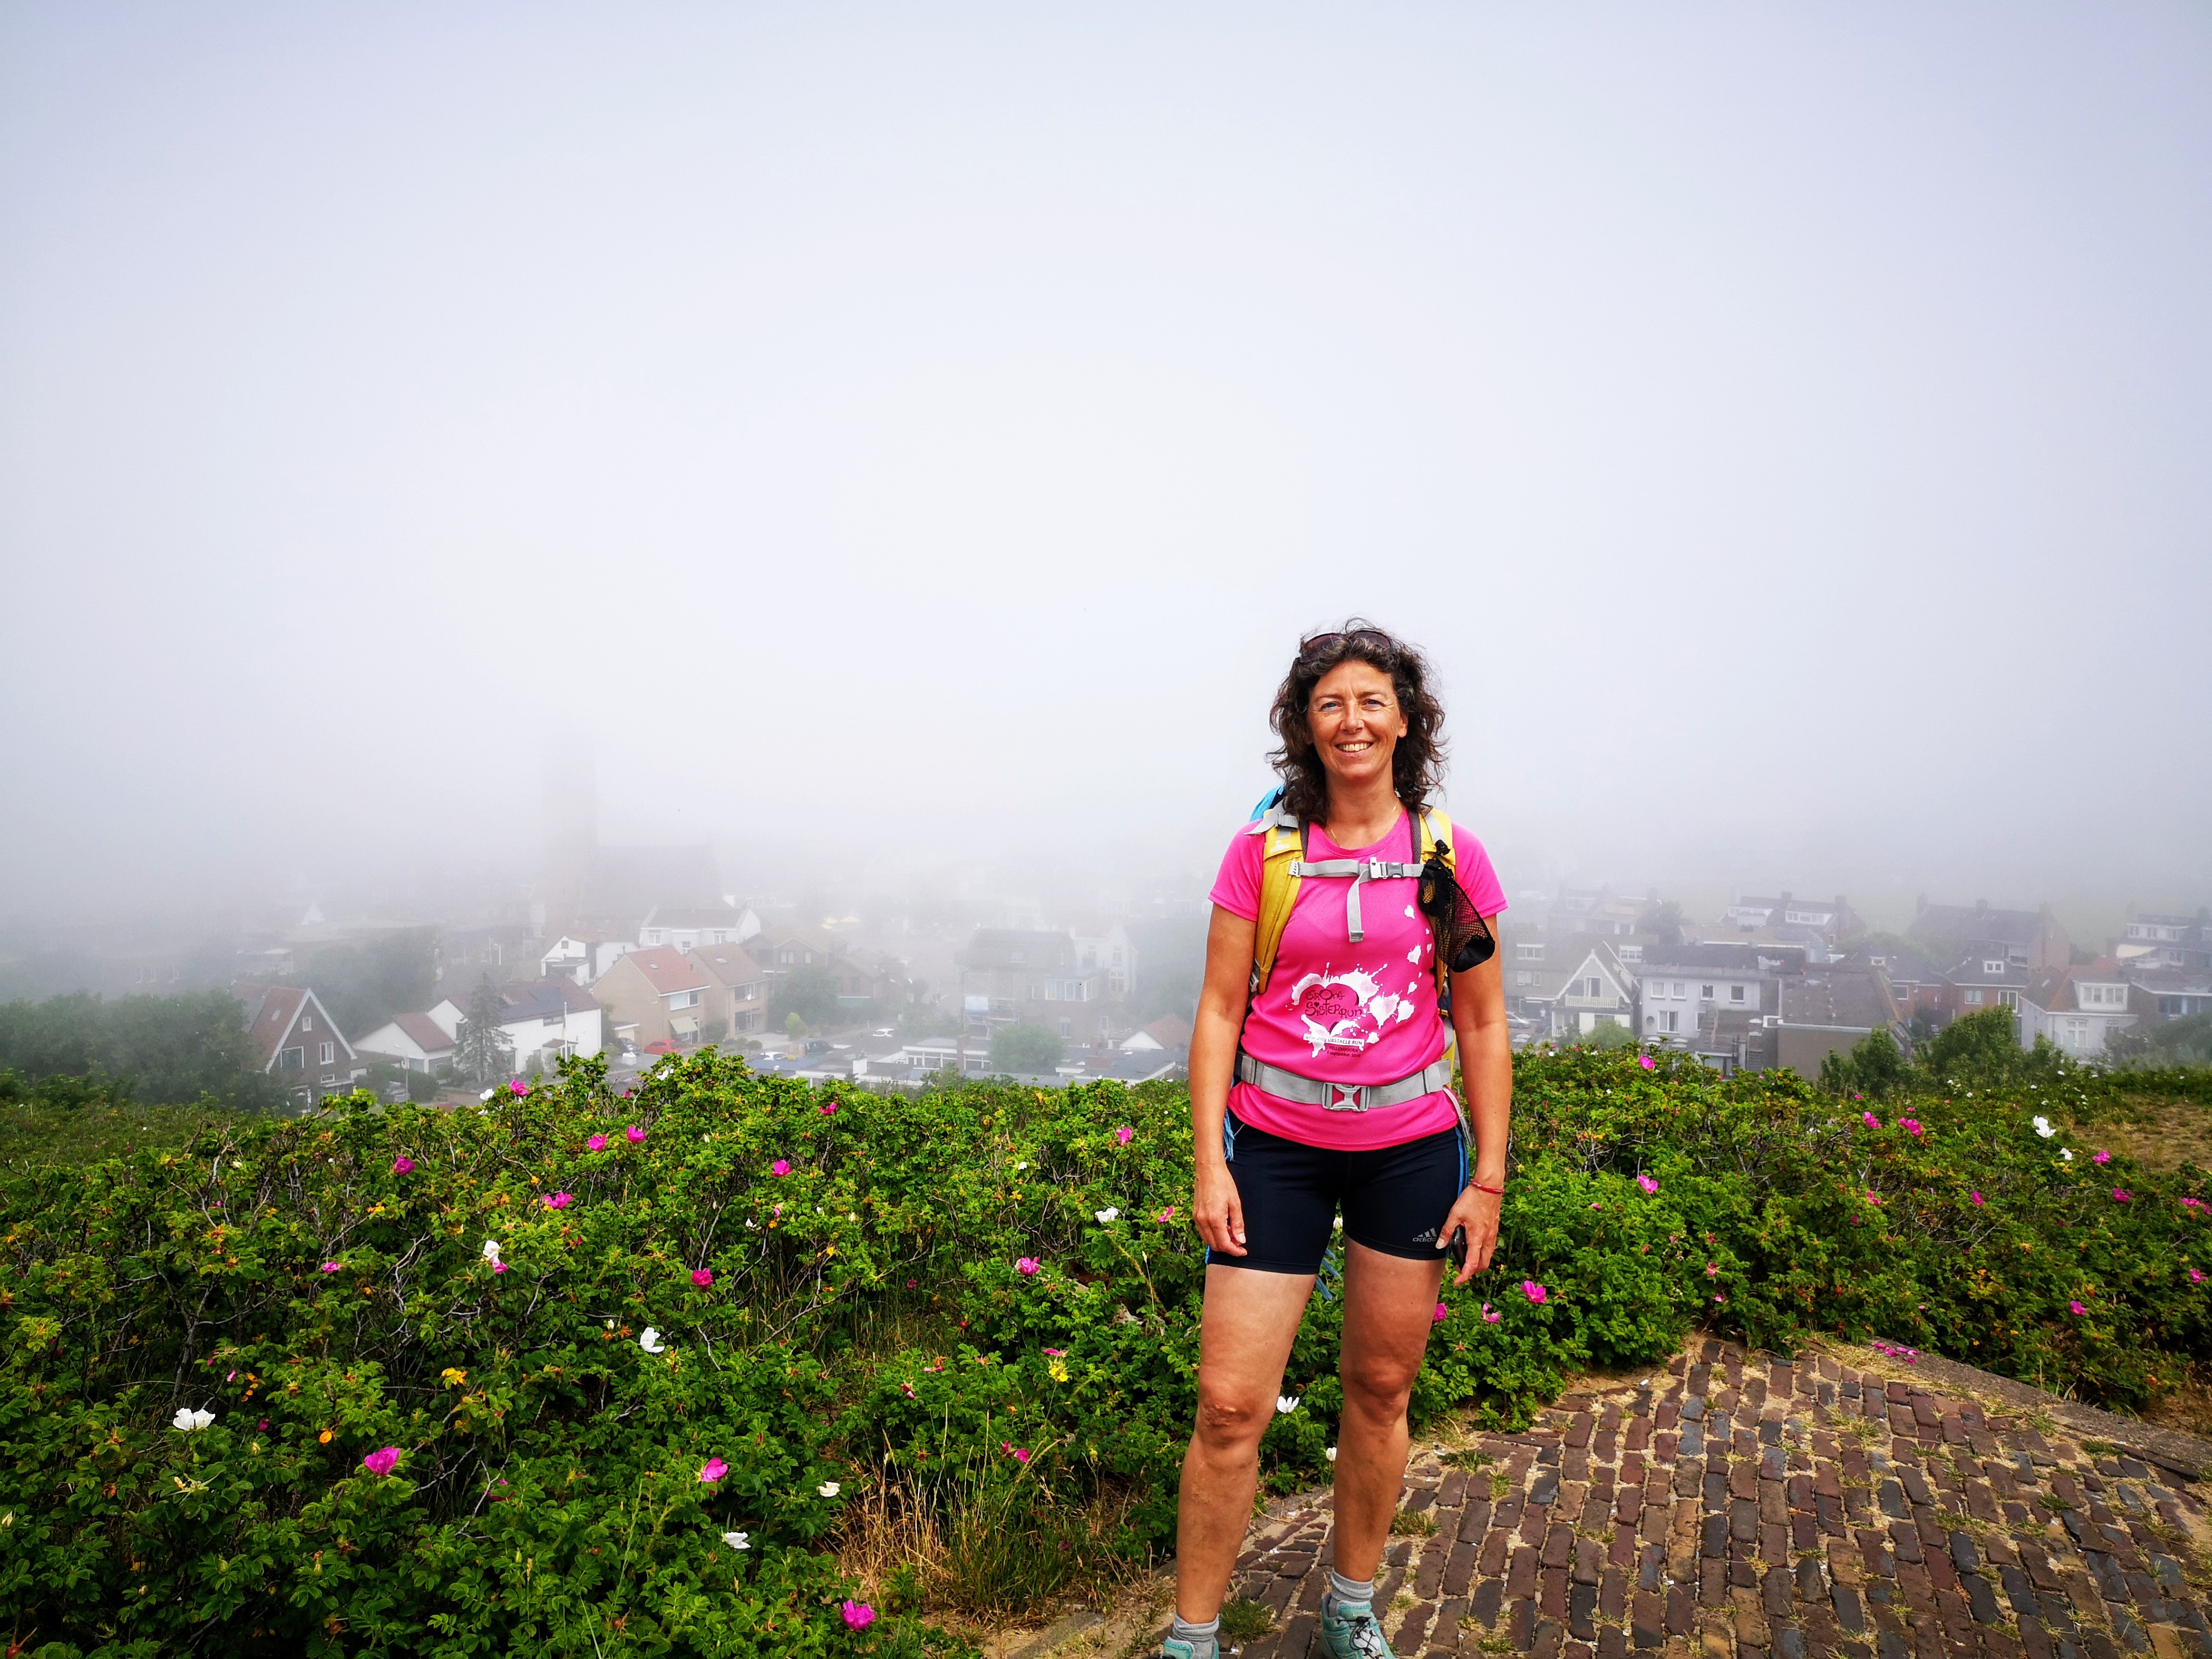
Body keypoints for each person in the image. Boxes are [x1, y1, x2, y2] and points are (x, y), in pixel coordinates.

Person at [1161, 623, 1511, 1659]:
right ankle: (1193, 1637)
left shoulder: (1448, 856)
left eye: (1372, 702)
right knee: (1229, 1406)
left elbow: (1482, 1023)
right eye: (1330, 704)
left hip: (1410, 1147)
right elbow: (1220, 1011)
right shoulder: (1262, 852)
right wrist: (1209, 1158)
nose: (1352, 721)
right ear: (1303, 726)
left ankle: (1351, 1607)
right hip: (1274, 1144)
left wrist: (1487, 1179)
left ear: (1407, 720)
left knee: (1381, 1389)